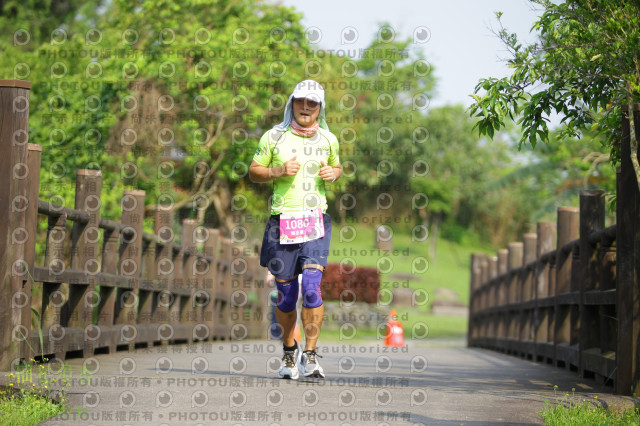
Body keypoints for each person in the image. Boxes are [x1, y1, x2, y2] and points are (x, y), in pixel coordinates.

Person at [249, 79, 341, 379]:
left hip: (315, 221)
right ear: (292, 103)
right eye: (301, 101)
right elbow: (254, 171)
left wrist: (334, 173)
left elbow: (337, 166)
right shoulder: (273, 137)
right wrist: (277, 171)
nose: (306, 107)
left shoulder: (329, 139)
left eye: (312, 103)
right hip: (282, 223)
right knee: (286, 297)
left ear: (319, 108)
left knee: (312, 288)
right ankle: (290, 354)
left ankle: (311, 356)